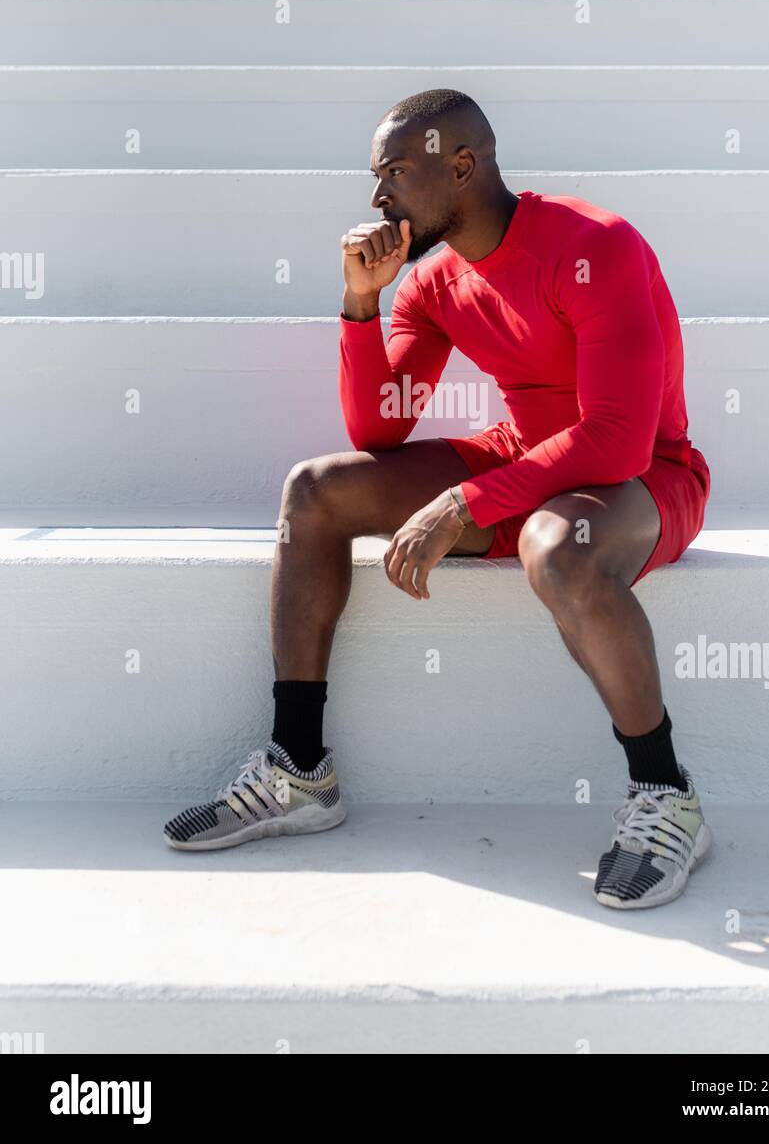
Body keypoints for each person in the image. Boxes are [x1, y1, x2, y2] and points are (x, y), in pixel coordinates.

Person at [164, 89, 713, 911]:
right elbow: (377, 429)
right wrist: (363, 302)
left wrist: (468, 501)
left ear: (461, 164)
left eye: (391, 173)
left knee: (556, 552)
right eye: (372, 177)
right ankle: (298, 771)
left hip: (642, 479)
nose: (376, 197)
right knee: (316, 490)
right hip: (528, 464)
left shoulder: (594, 245)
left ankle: (665, 793)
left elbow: (618, 439)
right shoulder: (434, 282)